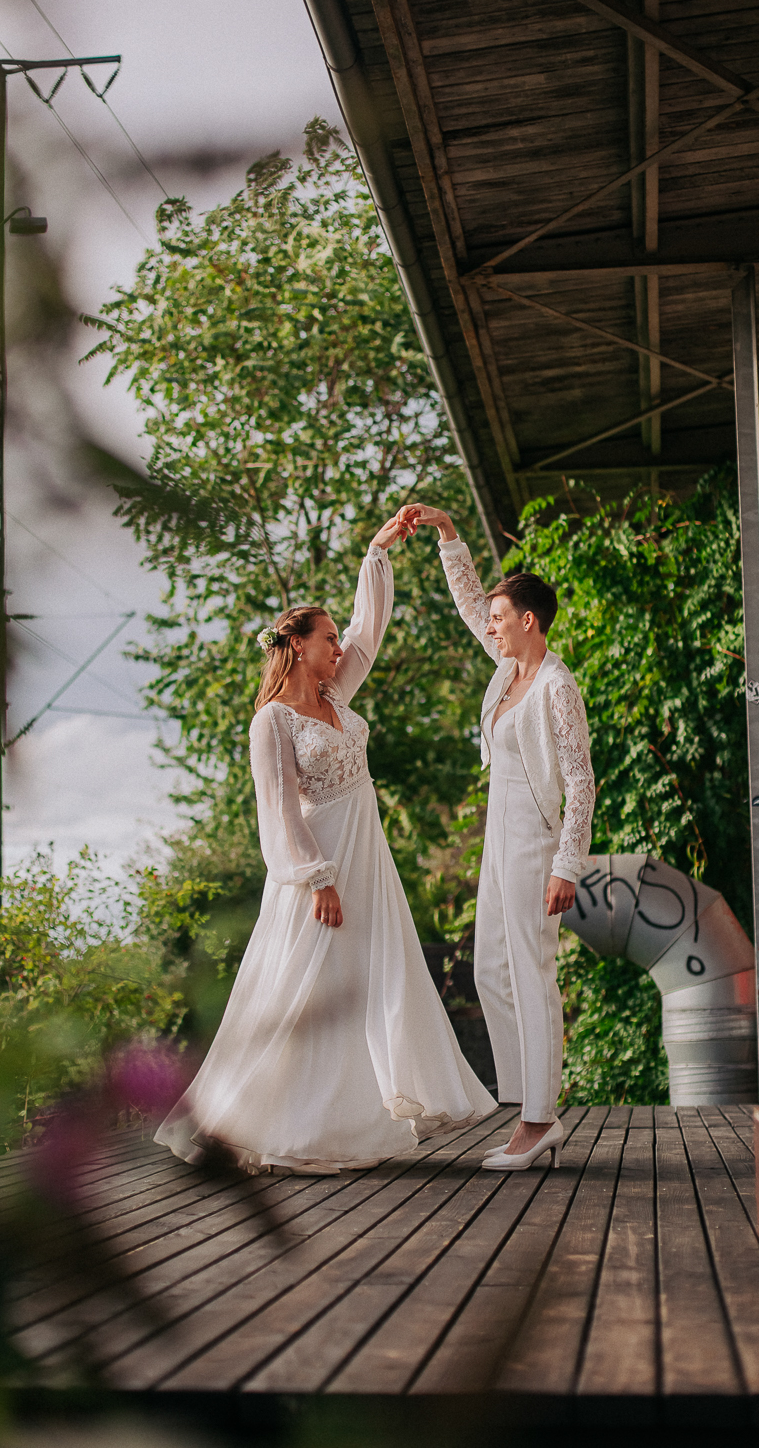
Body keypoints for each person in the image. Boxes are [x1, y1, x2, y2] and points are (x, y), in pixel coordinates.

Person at [155, 514, 496, 1174]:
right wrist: (317, 878)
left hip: (368, 861)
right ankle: (255, 1121)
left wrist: (377, 553)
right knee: (304, 990)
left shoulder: (337, 695)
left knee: (375, 979)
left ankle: (355, 1116)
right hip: (321, 870)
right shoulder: (271, 721)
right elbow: (277, 812)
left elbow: (370, 631)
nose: (339, 647)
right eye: (328, 638)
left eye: (338, 639)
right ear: (297, 645)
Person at [399, 503, 595, 1172]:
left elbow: (581, 782)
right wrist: (449, 535)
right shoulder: (506, 671)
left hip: (535, 843)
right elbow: (467, 606)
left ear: (528, 622)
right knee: (489, 969)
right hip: (497, 840)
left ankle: (540, 1121)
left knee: (531, 974)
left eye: (500, 618)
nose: (491, 624)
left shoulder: (554, 687)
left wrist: (567, 865)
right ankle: (524, 1106)